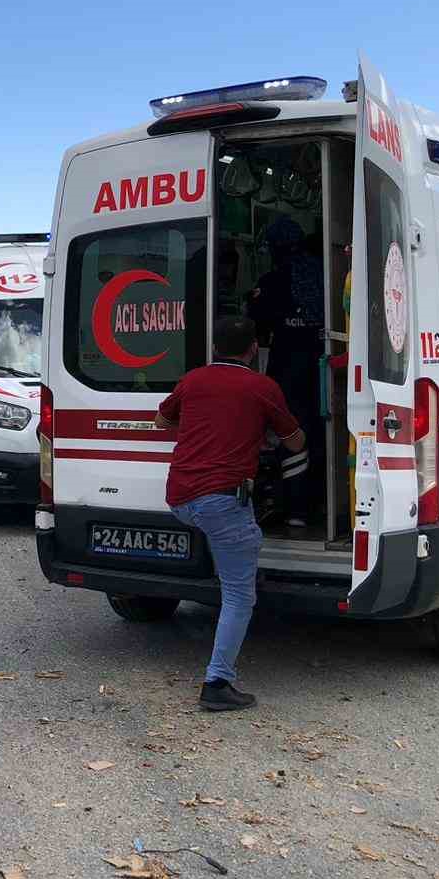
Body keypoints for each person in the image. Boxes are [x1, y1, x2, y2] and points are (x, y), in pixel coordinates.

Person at [154, 316, 304, 713]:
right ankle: (217, 682)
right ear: (254, 349)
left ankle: (230, 564)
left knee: (229, 551)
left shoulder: (193, 380)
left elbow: (161, 421)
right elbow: (295, 441)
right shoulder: (262, 386)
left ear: (214, 346)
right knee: (239, 595)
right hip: (220, 502)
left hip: (180, 497)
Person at [248, 218, 324, 528]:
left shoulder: (272, 282)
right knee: (320, 433)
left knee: (290, 433)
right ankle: (318, 503)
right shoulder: (324, 273)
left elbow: (256, 323)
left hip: (289, 368)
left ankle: (295, 509)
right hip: (324, 366)